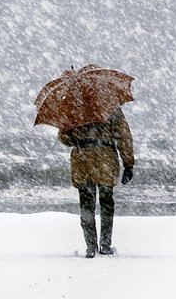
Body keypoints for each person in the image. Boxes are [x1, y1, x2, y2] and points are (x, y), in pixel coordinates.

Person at [58, 107, 134, 258]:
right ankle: (105, 244)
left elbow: (64, 136)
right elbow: (123, 136)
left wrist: (77, 137)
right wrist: (128, 163)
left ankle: (90, 246)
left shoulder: (74, 107)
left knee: (86, 204)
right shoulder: (111, 106)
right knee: (106, 203)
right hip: (106, 159)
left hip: (82, 159)